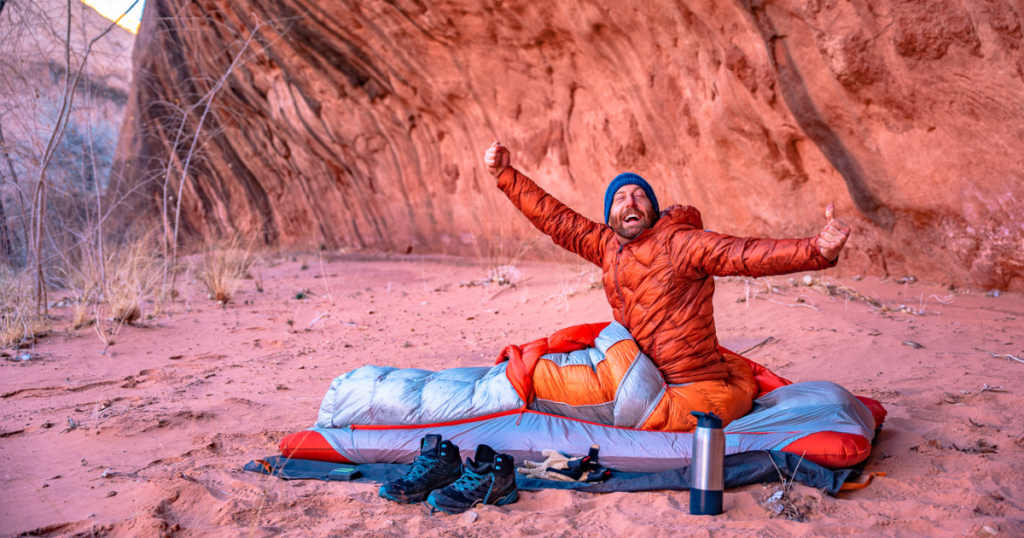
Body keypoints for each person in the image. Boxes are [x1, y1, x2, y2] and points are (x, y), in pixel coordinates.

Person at [483, 141, 851, 430]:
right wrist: (505, 174)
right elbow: (556, 219)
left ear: (653, 210)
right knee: (540, 363)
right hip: (641, 370)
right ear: (610, 214)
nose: (631, 201)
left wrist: (816, 250)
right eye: (621, 197)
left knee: (536, 378)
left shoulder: (680, 243)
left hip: (689, 387)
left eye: (640, 196)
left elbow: (744, 254)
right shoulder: (607, 244)